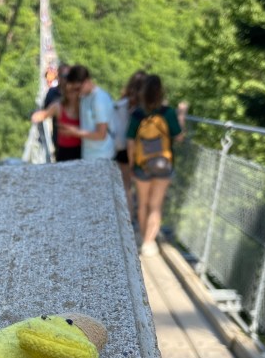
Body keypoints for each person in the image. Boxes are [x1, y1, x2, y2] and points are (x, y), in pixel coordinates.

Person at [126, 74, 185, 255]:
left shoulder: (136, 114)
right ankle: (149, 243)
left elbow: (130, 142)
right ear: (161, 92)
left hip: (141, 165)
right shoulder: (168, 113)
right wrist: (182, 114)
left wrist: (131, 166)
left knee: (142, 204)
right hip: (163, 165)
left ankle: (143, 237)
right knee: (156, 205)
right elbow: (179, 137)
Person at [64, 64, 115, 161]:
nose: (76, 92)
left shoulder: (99, 99)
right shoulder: (85, 96)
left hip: (102, 156)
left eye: (77, 89)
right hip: (89, 155)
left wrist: (75, 132)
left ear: (87, 81)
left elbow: (101, 134)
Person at [113, 70, 147, 214]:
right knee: (144, 188)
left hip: (122, 149)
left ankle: (129, 219)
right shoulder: (149, 108)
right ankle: (142, 217)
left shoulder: (121, 104)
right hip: (144, 150)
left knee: (126, 186)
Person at [30, 75, 82, 161]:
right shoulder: (60, 106)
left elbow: (42, 115)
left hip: (75, 148)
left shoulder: (79, 105)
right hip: (66, 149)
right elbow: (43, 115)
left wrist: (35, 115)